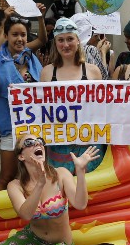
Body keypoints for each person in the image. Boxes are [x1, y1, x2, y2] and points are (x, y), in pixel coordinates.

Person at [0, 137, 98, 245]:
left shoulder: (61, 174)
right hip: (31, 240)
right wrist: (39, 184)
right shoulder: (15, 186)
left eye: (40, 141)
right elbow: (25, 215)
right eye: (29, 143)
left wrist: (81, 171)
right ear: (21, 156)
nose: (37, 144)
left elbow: (80, 204)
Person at [0, 8, 49, 190]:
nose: (19, 39)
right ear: (6, 35)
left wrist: (40, 16)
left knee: (31, 173)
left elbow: (42, 40)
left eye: (23, 35)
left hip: (33, 126)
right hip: (10, 127)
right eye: (14, 34)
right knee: (7, 176)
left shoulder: (31, 57)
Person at [40, 18, 106, 172]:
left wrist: (126, 92)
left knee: (90, 189)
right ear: (55, 43)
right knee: (62, 189)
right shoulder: (47, 72)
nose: (66, 44)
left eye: (70, 39)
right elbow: (40, 107)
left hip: (89, 144)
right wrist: (18, 94)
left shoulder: (92, 71)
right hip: (59, 145)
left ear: (78, 40)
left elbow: (105, 105)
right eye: (61, 40)